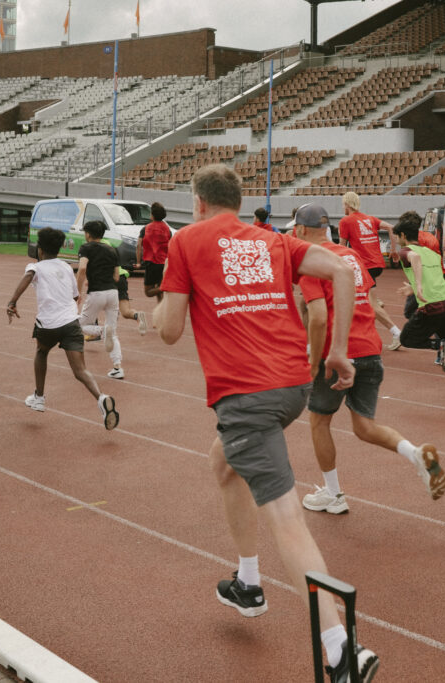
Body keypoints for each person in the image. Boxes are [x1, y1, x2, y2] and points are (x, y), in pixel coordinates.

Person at [154, 164, 378, 681]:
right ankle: (248, 583)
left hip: (247, 395)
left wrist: (154, 313)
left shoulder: (186, 241)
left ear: (200, 201)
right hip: (292, 387)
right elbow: (343, 271)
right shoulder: (273, 241)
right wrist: (339, 351)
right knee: (224, 461)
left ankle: (341, 646)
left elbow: (168, 331)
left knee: (286, 517)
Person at [294, 203, 445, 514]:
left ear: (299, 230)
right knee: (364, 426)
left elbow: (319, 318)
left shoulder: (311, 262)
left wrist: (313, 364)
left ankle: (334, 495)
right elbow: (370, 300)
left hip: (337, 354)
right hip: (370, 349)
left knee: (319, 421)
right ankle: (414, 453)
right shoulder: (351, 257)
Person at [6, 227, 119, 430]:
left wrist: (12, 301)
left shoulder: (36, 267)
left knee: (41, 352)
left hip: (48, 324)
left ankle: (39, 397)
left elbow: (27, 277)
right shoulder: (67, 267)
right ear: (59, 249)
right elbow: (75, 295)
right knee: (80, 370)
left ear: (40, 249)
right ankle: (101, 397)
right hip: (71, 323)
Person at [393, 211, 445, 410]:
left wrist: (419, 288)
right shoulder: (432, 253)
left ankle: (439, 346)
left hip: (432, 307)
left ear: (404, 236)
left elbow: (413, 258)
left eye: (398, 237)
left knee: (406, 339)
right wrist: (413, 287)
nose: (397, 241)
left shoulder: (407, 251)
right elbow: (435, 276)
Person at [339, 191, 401, 350]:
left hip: (364, 267)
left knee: (366, 303)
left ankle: (396, 333)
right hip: (378, 264)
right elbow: (391, 228)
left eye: (343, 204)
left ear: (347, 204)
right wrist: (394, 250)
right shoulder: (369, 218)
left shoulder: (346, 221)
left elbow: (341, 247)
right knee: (357, 300)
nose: (342, 207)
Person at [76, 220, 124, 379]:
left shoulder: (85, 248)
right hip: (112, 292)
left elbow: (82, 268)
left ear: (88, 234)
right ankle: (117, 368)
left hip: (96, 293)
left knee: (79, 325)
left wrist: (77, 291)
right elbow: (116, 276)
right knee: (113, 332)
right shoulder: (111, 249)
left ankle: (102, 331)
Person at [138, 201, 170, 302]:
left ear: (152, 215)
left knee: (148, 292)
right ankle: (162, 315)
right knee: (159, 294)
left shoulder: (146, 228)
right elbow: (170, 246)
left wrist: (138, 262)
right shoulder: (167, 229)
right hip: (163, 262)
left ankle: (166, 287)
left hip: (151, 262)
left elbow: (139, 245)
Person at [117, 266, 148, 335]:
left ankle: (94, 330)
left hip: (108, 279)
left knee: (96, 306)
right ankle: (137, 315)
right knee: (125, 312)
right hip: (121, 276)